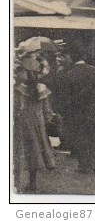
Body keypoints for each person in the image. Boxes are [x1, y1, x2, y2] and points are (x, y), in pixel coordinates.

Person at [13, 38, 56, 193]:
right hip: (35, 123)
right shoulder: (39, 86)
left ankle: (18, 183)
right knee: (33, 151)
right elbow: (47, 111)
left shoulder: (18, 86)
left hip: (21, 122)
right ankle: (31, 183)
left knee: (19, 152)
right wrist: (48, 117)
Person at [61, 43, 95, 174]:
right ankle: (94, 164)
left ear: (72, 57)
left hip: (77, 112)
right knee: (93, 139)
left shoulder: (69, 73)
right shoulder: (94, 70)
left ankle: (84, 165)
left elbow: (66, 98)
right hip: (93, 111)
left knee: (80, 139)